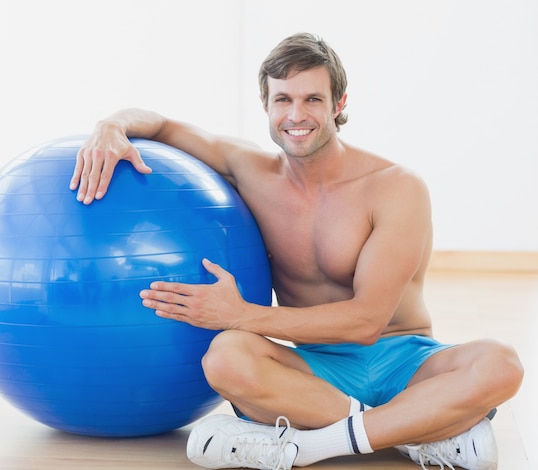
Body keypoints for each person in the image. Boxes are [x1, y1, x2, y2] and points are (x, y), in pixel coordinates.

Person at [69, 33, 523, 470]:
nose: (296, 114)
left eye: (312, 99)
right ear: (266, 105)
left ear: (339, 104)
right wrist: (110, 125)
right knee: (224, 358)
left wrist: (238, 313)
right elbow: (163, 125)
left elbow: (366, 322)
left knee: (501, 364)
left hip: (404, 359)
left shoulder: (396, 188)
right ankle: (419, 429)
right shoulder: (249, 170)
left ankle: (309, 447)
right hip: (316, 367)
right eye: (283, 99)